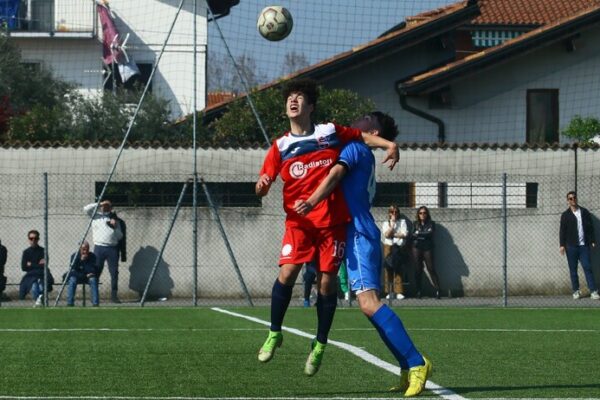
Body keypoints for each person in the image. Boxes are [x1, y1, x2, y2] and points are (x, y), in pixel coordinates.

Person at [255, 78, 398, 377]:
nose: (292, 101)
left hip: (331, 223)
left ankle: (319, 344)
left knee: (326, 284)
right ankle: (274, 332)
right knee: (288, 271)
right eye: (289, 98)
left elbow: (361, 136)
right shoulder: (280, 146)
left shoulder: (329, 132)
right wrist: (262, 185)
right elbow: (264, 182)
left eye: (299, 97)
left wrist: (388, 143)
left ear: (311, 106)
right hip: (299, 223)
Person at [294, 111, 431, 397]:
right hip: (355, 232)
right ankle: (407, 366)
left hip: (358, 233)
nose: (359, 119)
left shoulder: (355, 148)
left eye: (367, 118)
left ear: (374, 130)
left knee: (369, 304)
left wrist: (311, 201)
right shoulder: (358, 149)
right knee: (368, 306)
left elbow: (334, 176)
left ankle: (418, 362)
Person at [559, 191, 599, 300]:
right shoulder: (565, 215)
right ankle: (576, 291)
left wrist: (592, 240)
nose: (573, 200)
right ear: (568, 201)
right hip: (571, 247)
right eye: (570, 198)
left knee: (587, 267)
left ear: (577, 199)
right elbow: (562, 231)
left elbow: (590, 227)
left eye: (574, 198)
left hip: (583, 246)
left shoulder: (584, 212)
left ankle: (593, 291)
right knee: (573, 270)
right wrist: (562, 245)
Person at [84, 199, 125, 303]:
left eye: (108, 206)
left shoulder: (115, 219)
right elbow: (86, 209)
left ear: (111, 208)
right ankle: (94, 296)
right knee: (96, 271)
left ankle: (114, 296)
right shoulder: (96, 216)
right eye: (103, 206)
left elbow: (120, 236)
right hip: (99, 248)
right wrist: (101, 203)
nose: (105, 207)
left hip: (112, 248)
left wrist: (115, 227)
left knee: (114, 272)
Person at [412, 206, 441, 299]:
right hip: (417, 247)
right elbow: (412, 234)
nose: (422, 215)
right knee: (418, 269)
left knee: (431, 268)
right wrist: (423, 234)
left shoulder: (431, 223)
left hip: (428, 247)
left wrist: (419, 233)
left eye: (424, 213)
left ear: (427, 214)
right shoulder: (415, 223)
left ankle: (438, 290)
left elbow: (430, 233)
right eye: (420, 213)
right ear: (418, 214)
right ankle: (418, 291)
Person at [19, 230, 53, 306]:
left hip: (42, 274)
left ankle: (40, 303)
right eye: (31, 238)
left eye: (35, 238)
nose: (33, 240)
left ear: (38, 239)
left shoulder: (43, 251)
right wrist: (37, 264)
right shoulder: (26, 252)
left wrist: (31, 264)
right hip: (31, 275)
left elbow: (44, 265)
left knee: (42, 287)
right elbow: (24, 267)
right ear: (28, 239)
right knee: (34, 287)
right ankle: (39, 303)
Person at [381, 205, 408, 300]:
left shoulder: (402, 222)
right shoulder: (385, 223)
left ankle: (399, 291)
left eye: (396, 212)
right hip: (388, 246)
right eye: (392, 212)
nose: (394, 214)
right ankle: (389, 291)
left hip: (399, 246)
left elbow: (404, 234)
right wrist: (392, 226)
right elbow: (386, 234)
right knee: (388, 268)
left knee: (398, 268)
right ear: (389, 213)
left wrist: (393, 234)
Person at [65, 241, 100, 307]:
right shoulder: (74, 256)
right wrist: (81, 260)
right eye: (83, 249)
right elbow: (73, 270)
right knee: (72, 279)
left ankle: (95, 303)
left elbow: (92, 270)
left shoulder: (92, 256)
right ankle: (70, 303)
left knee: (93, 279)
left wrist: (85, 261)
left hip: (88, 277)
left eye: (87, 249)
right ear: (79, 249)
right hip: (78, 276)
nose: (85, 251)